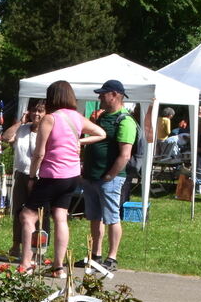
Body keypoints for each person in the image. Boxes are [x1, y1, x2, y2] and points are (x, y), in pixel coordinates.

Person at [19, 80, 106, 277]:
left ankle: (26, 263)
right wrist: (80, 141)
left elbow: (39, 153)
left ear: (52, 97)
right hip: (72, 175)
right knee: (60, 216)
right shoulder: (77, 117)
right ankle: (58, 267)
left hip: (52, 174)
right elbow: (101, 133)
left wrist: (32, 176)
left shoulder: (50, 119)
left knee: (27, 216)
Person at [80, 80, 135, 273]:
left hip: (109, 178)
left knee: (111, 217)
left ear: (114, 95)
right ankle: (95, 255)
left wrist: (110, 175)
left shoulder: (125, 121)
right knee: (95, 217)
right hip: (92, 176)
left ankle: (112, 258)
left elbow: (125, 154)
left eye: (103, 94)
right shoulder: (102, 117)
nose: (99, 97)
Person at [1, 99, 45, 257]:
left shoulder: (47, 131)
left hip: (40, 176)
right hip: (21, 174)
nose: (36, 114)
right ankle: (16, 245)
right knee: (19, 211)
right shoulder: (23, 129)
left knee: (38, 213)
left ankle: (38, 248)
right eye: (34, 110)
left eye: (40, 111)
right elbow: (6, 137)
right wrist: (21, 122)